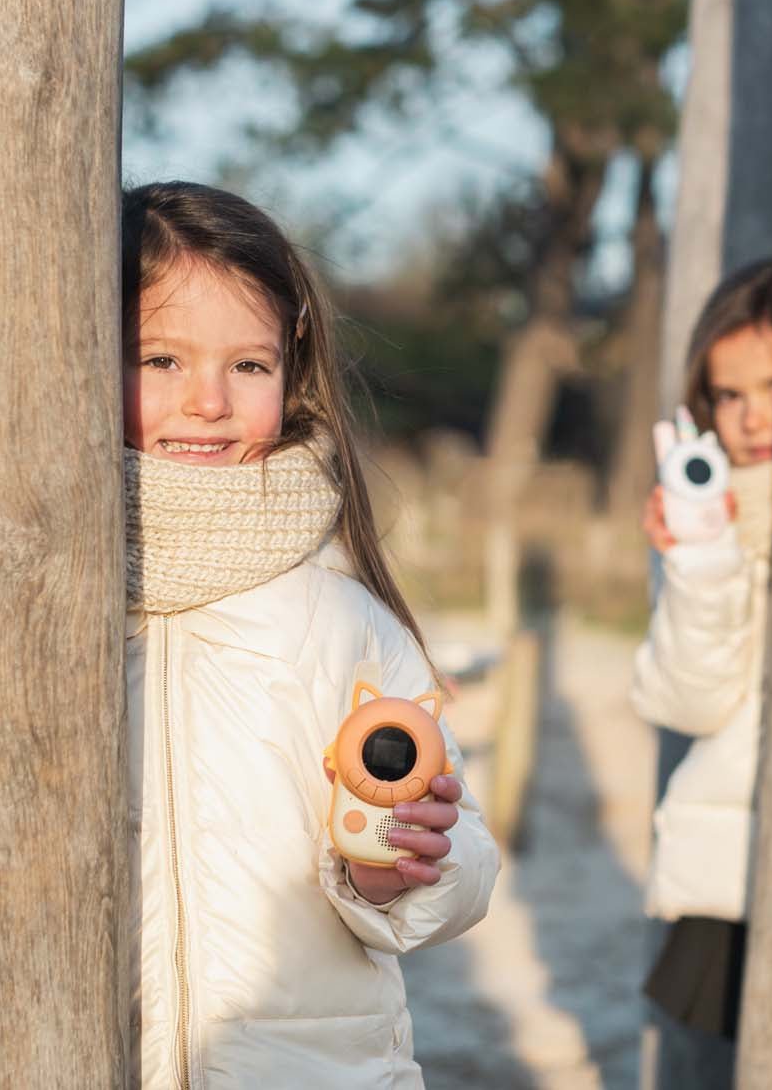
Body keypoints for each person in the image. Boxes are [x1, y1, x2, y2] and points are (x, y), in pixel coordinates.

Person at [122, 180, 500, 1090]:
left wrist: (399, 871)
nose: (206, 401)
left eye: (247, 366)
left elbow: (466, 860)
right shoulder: (32, 593)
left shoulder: (337, 617)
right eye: (160, 360)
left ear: (292, 374)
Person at [630, 255, 772, 1073]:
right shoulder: (707, 525)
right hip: (734, 872)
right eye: (731, 395)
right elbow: (688, 702)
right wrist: (700, 561)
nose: (755, 418)